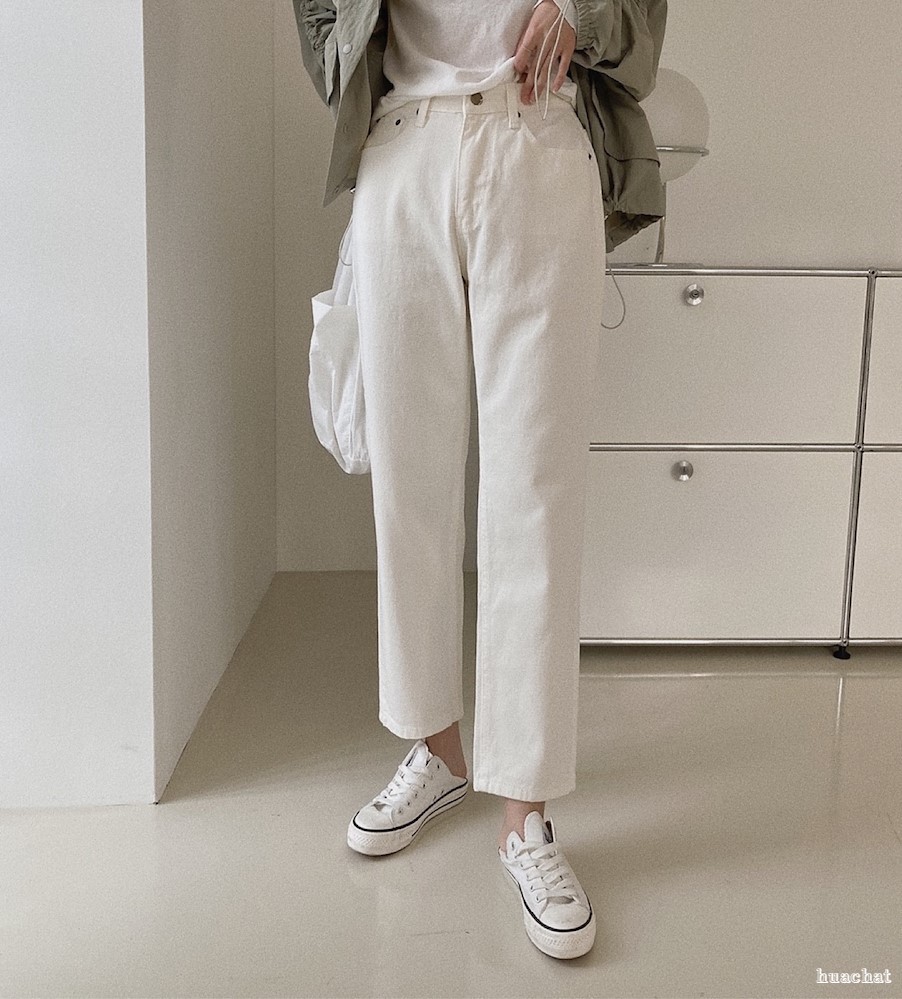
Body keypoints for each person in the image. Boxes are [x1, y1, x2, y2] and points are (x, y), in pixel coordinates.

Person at [294, 0, 666, 962]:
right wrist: (340, 56)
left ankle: (525, 811)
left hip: (536, 133)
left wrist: (580, 11)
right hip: (402, 145)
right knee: (408, 485)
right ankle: (437, 746)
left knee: (534, 491)